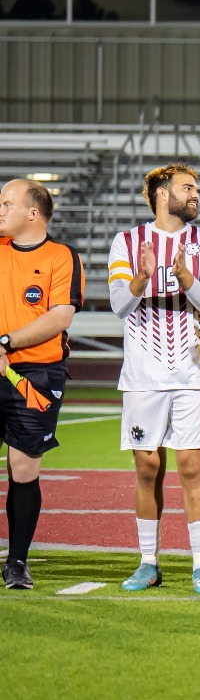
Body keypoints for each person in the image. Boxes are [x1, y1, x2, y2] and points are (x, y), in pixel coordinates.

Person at [108, 164, 200, 595]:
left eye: (197, 188)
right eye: (187, 188)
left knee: (193, 465)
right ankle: (148, 562)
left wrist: (185, 278)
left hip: (194, 372)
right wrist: (141, 277)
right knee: (147, 467)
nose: (196, 195)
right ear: (161, 192)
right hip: (143, 376)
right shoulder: (126, 241)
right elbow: (119, 306)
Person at [0, 179, 81, 591]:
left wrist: (6, 343)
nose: (0, 209)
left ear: (33, 214)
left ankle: (17, 562)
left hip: (34, 376)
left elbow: (60, 316)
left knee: (24, 467)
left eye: (7, 203)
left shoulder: (62, 256)